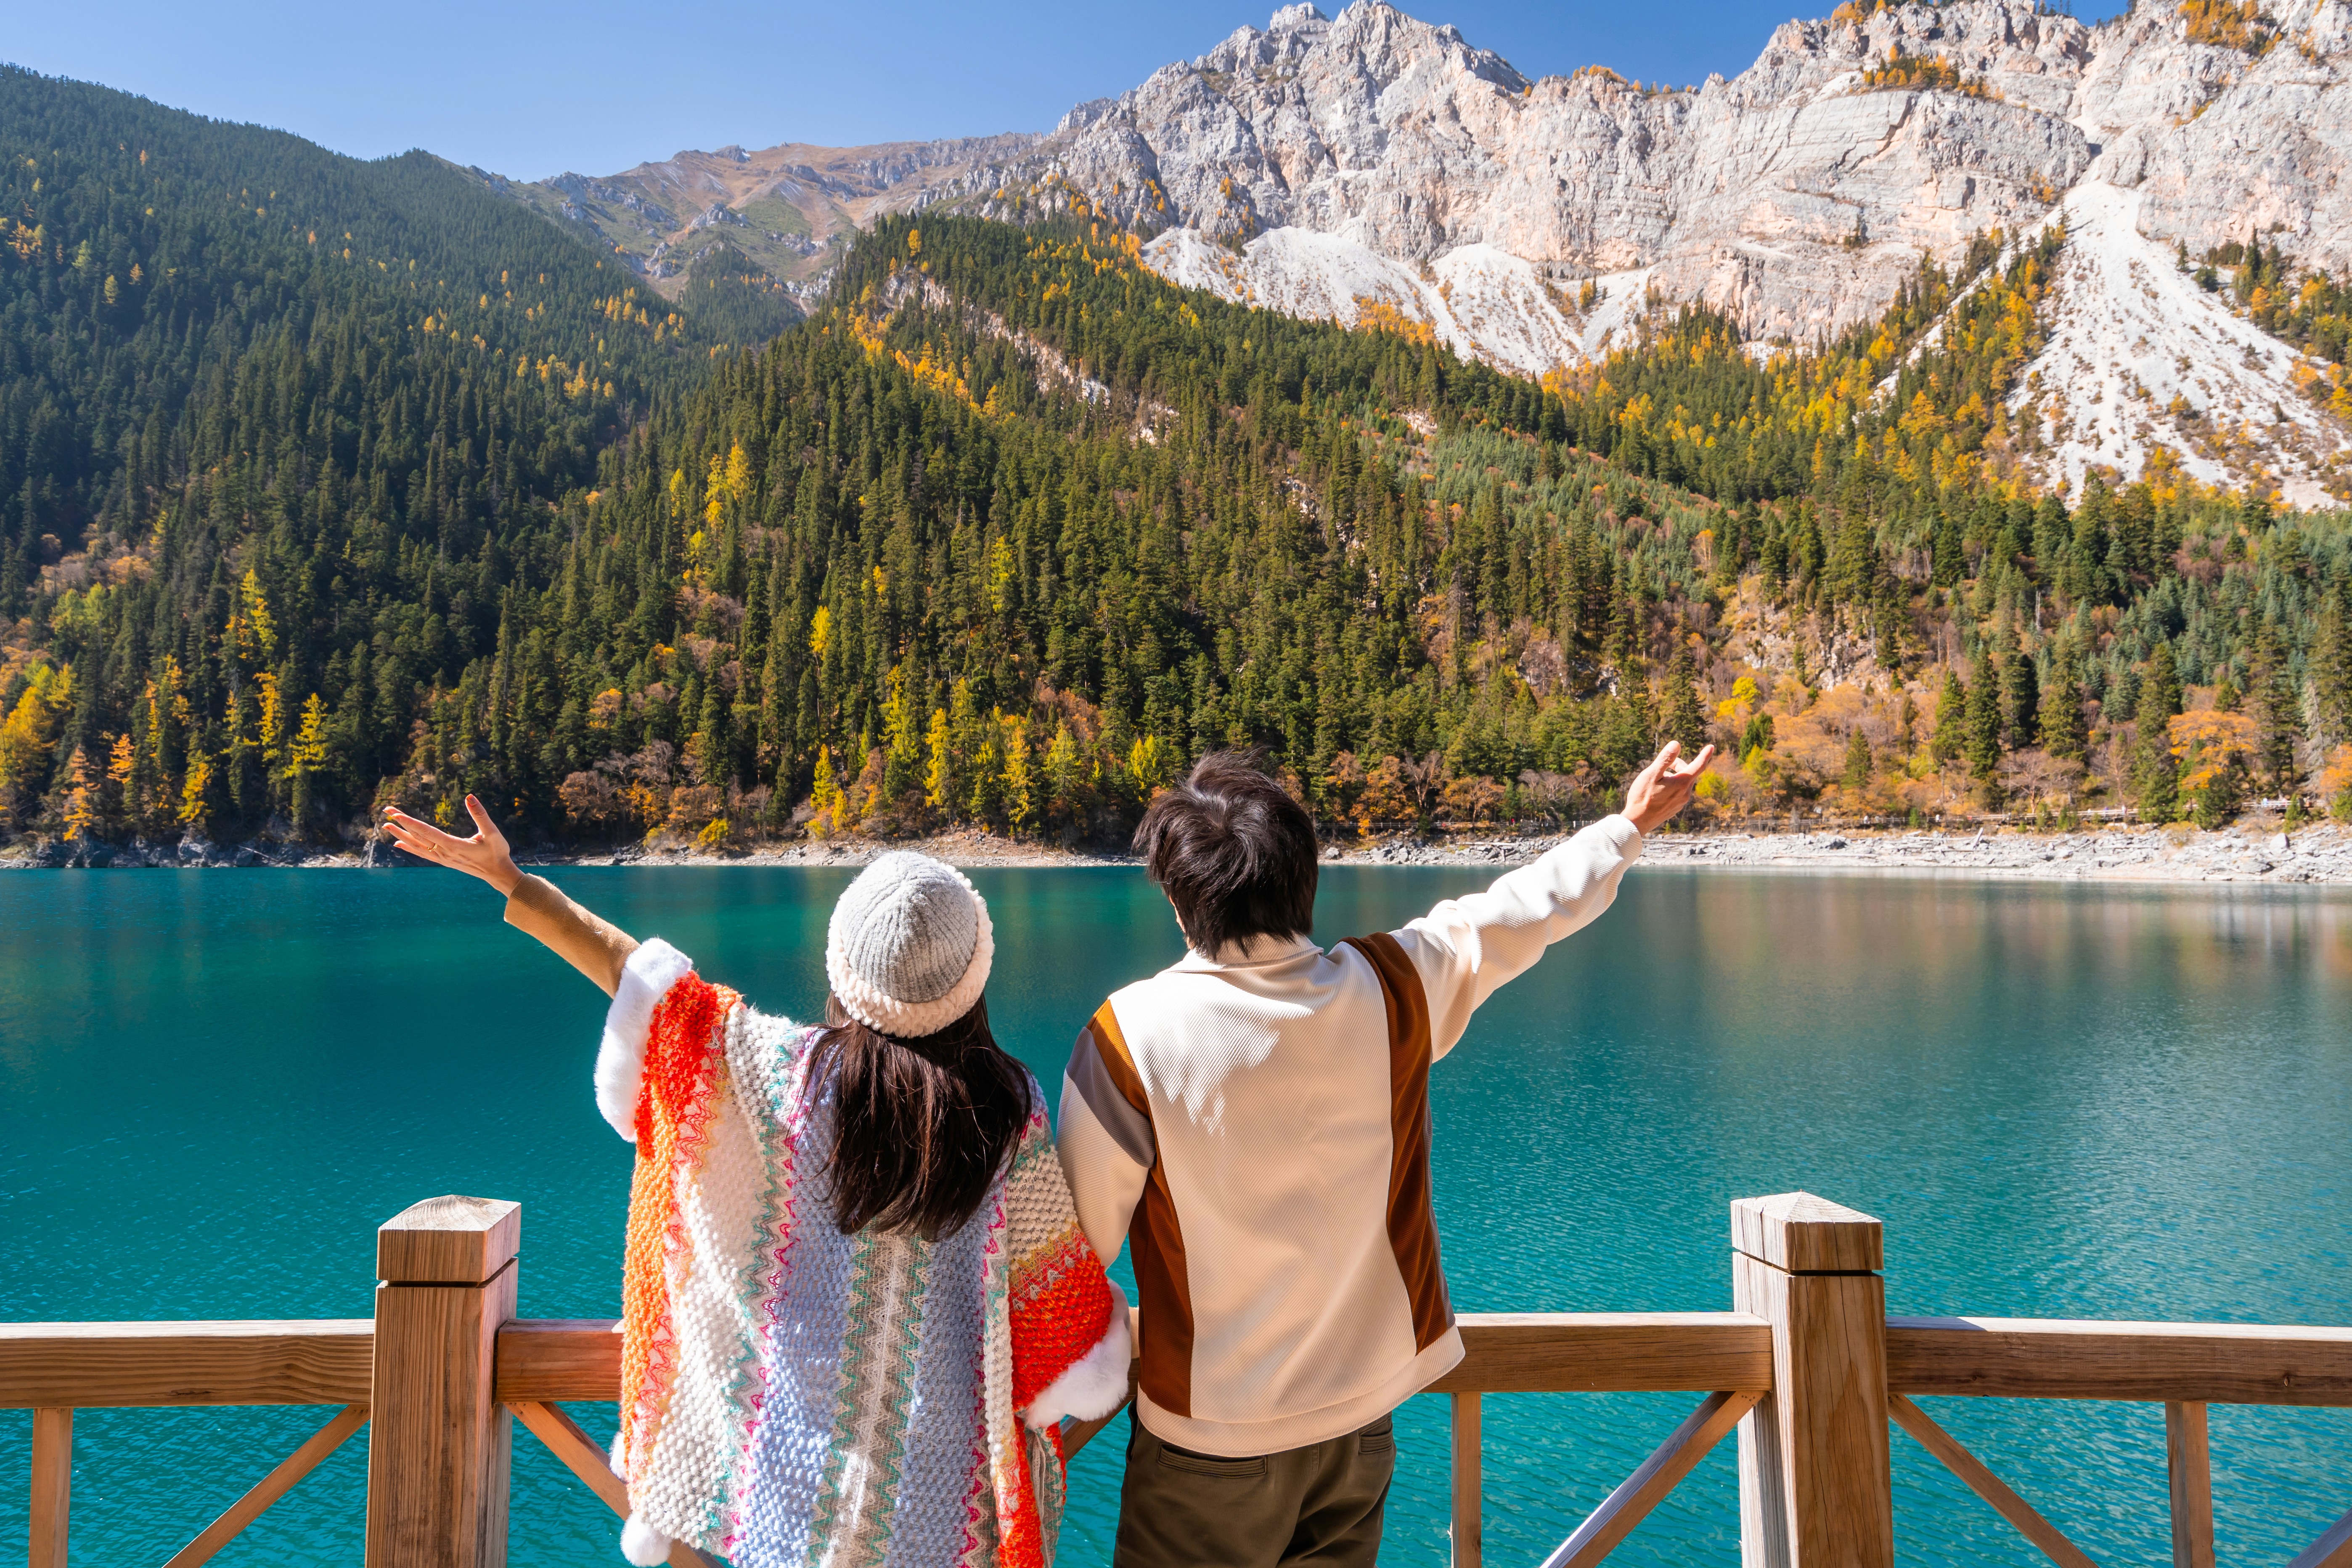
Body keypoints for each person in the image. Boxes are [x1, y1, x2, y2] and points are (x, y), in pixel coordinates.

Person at [381, 800, 1132, 1568]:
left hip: (783, 1506)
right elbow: (1059, 1314)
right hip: (945, 1518)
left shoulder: (778, 1073)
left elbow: (638, 977)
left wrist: (512, 881)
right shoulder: (1010, 1110)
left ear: (843, 967)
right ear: (973, 979)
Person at [1054, 739, 1712, 1568]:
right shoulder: (1390, 988)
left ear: (1183, 901)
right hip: (1358, 1428)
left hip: (1211, 1442)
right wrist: (1627, 824)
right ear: (1304, 880)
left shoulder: (1129, 1036)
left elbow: (1074, 1253)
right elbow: (1520, 912)